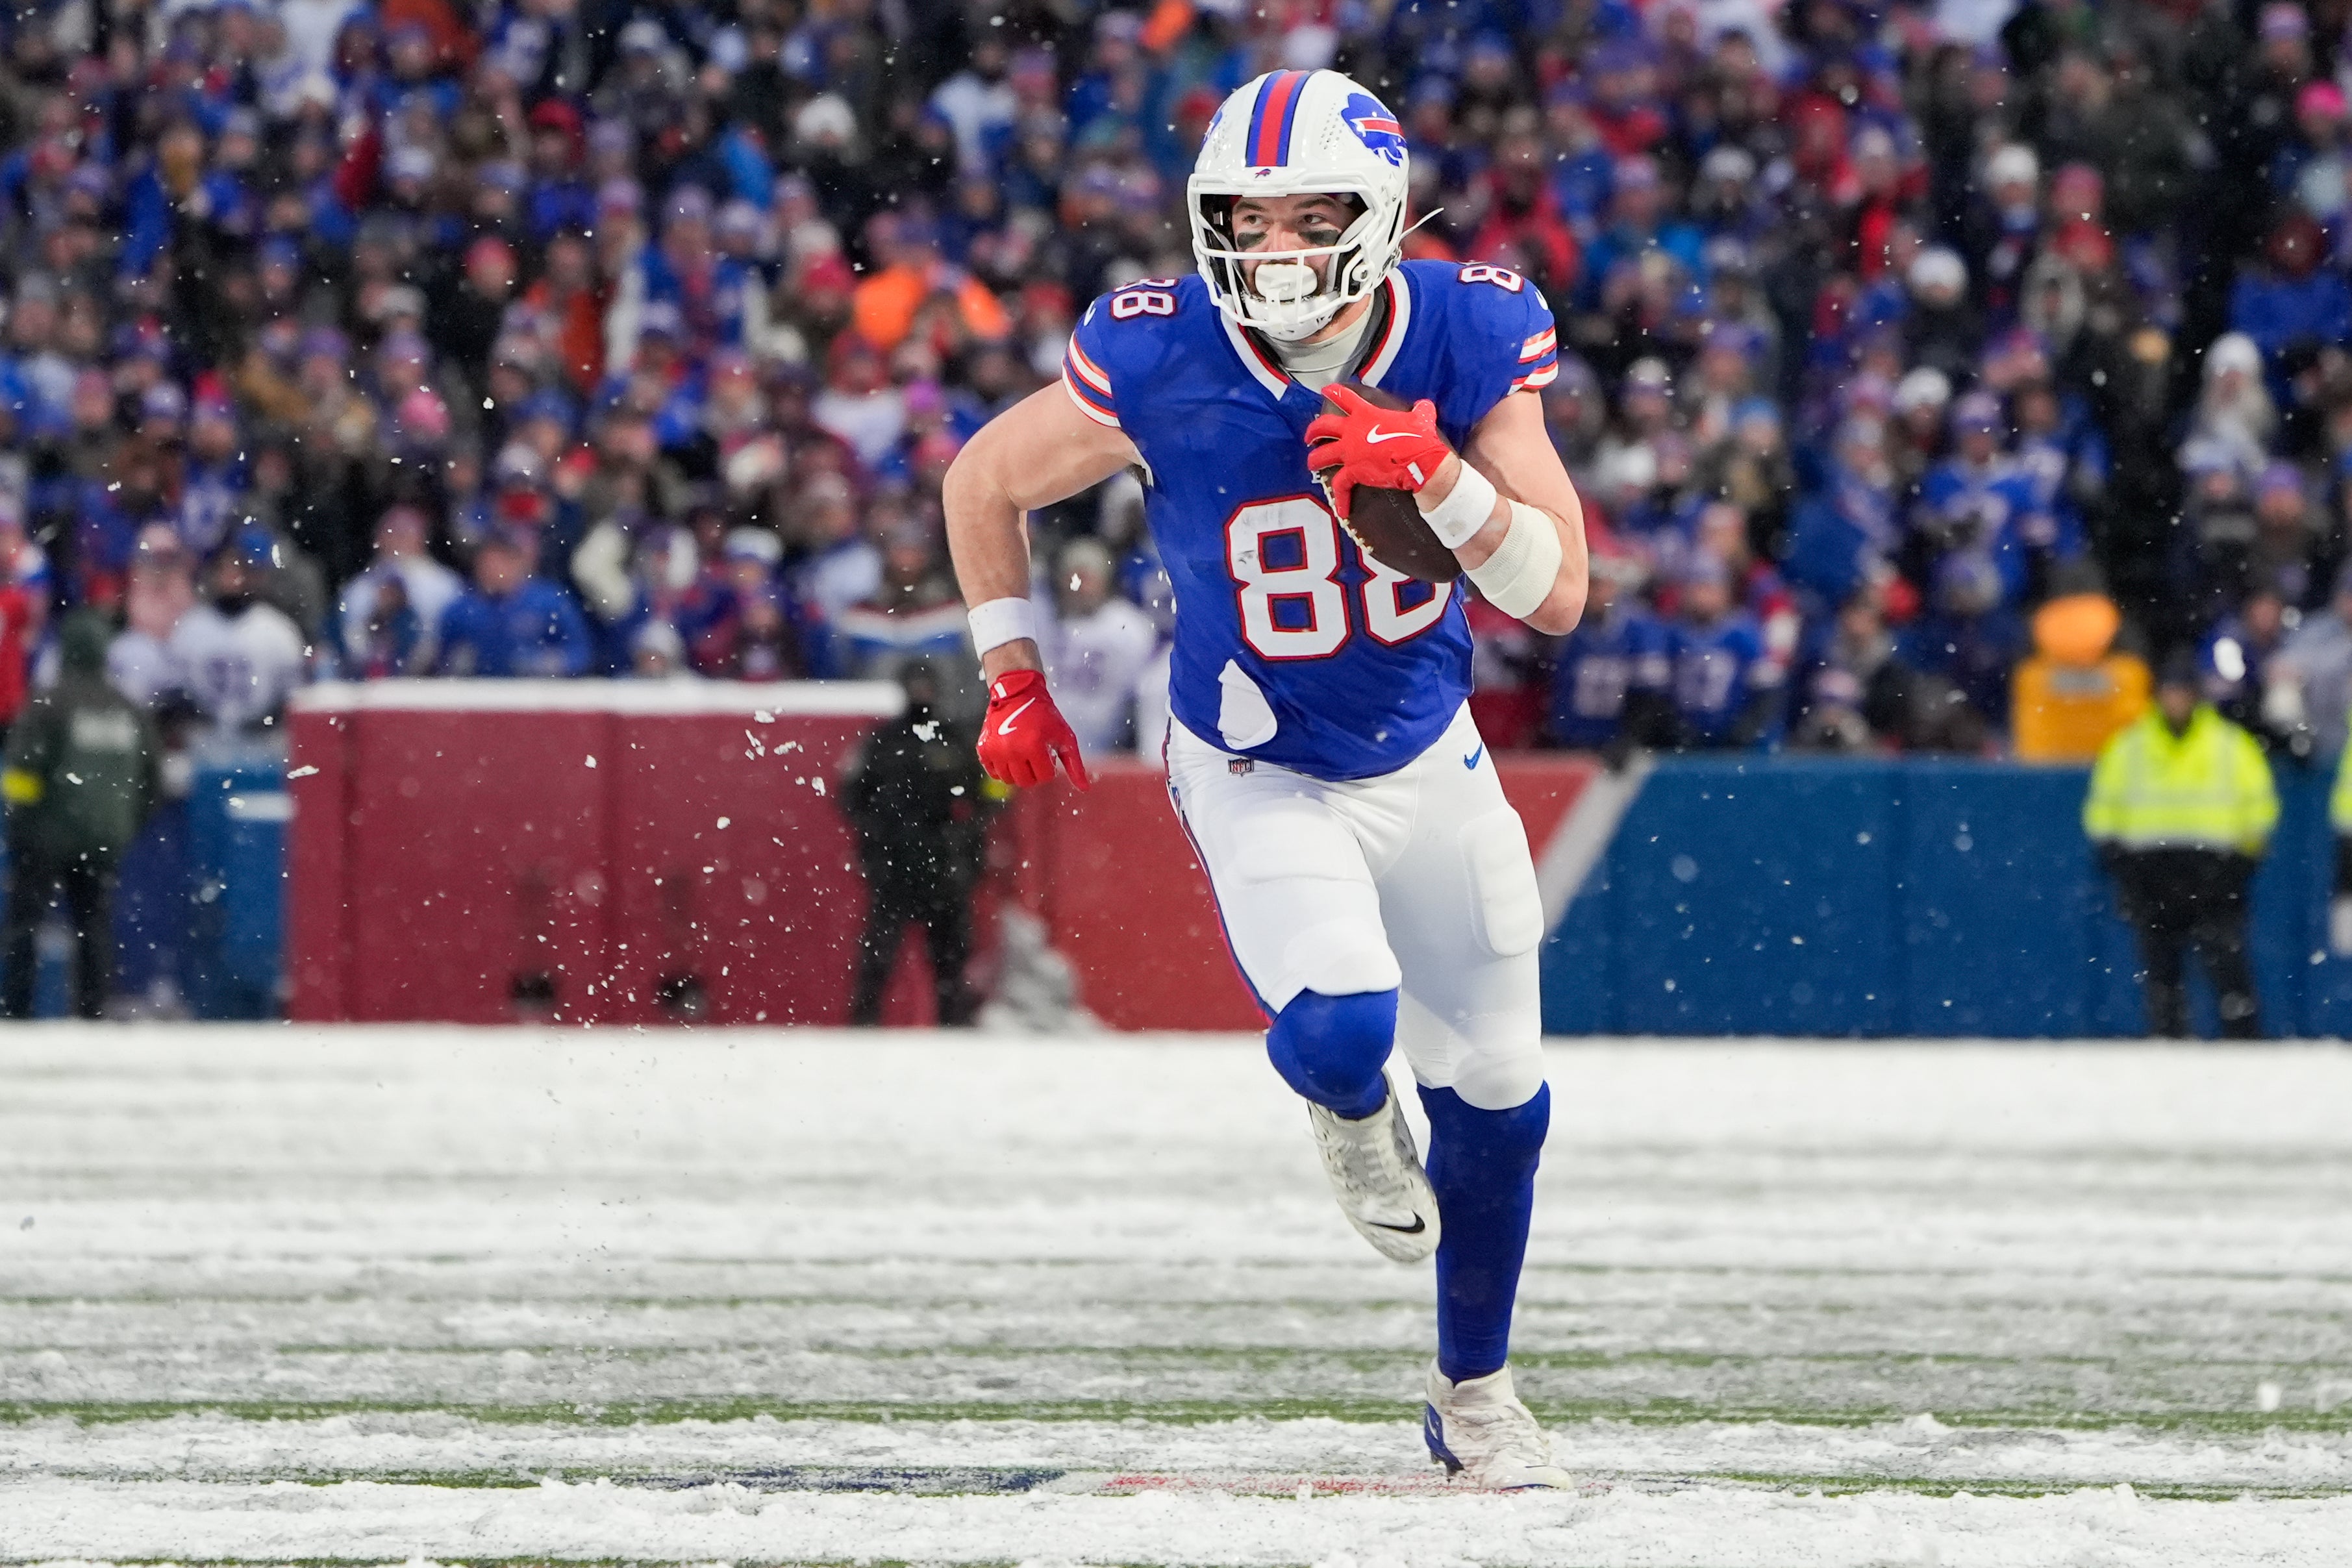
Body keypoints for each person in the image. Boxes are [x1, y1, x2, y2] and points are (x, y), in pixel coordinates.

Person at [942, 69, 1589, 1489]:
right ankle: (1345, 1111)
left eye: (1309, 216)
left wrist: (1441, 478)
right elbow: (983, 480)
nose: (1276, 246)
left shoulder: (1469, 329)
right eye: (1248, 217)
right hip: (1254, 758)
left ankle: (1474, 1397)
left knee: (1500, 1096)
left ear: (1380, 215)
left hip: (1426, 751)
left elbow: (1556, 593)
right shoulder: (1157, 349)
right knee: (1346, 1020)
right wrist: (1008, 671)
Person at [2084, 654, 2279, 1039]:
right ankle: (2169, 1041)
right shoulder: (2130, 746)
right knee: (2161, 970)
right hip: (2151, 872)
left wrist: (2241, 862)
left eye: (2183, 691)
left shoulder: (2229, 744)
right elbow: (2103, 808)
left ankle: (2243, 1042)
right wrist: (2119, 859)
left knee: (2227, 966)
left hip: (2214, 872)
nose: (2176, 700)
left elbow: (2260, 808)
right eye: (2170, 691)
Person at [1, 612, 160, 1018]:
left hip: (45, 838)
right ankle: (93, 1012)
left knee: (25, 925)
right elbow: (151, 781)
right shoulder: (128, 709)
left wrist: (21, 823)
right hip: (105, 840)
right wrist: (124, 827)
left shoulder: (49, 704)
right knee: (94, 928)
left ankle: (17, 1011)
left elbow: (22, 771)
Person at [838, 660, 992, 1027]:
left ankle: (954, 1030)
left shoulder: (955, 740)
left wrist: (966, 835)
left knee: (950, 960)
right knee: (879, 956)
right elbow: (849, 794)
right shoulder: (882, 741)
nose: (922, 691)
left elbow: (991, 792)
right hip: (894, 866)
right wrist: (878, 835)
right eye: (915, 683)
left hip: (945, 866)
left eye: (927, 683)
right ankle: (863, 1026)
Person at [1040, 538, 1160, 754]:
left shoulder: (1129, 626)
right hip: (1051, 746)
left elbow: (1143, 691)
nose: (1078, 587)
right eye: (1072, 578)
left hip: (1109, 749)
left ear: (1104, 579)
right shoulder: (1045, 620)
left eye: (1085, 578)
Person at [436, 529, 594, 678]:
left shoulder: (548, 601)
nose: (494, 569)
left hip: (535, 690)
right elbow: (441, 660)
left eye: (502, 561)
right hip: (478, 690)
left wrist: (552, 663)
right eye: (488, 562)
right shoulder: (462, 609)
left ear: (517, 562)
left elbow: (580, 651)